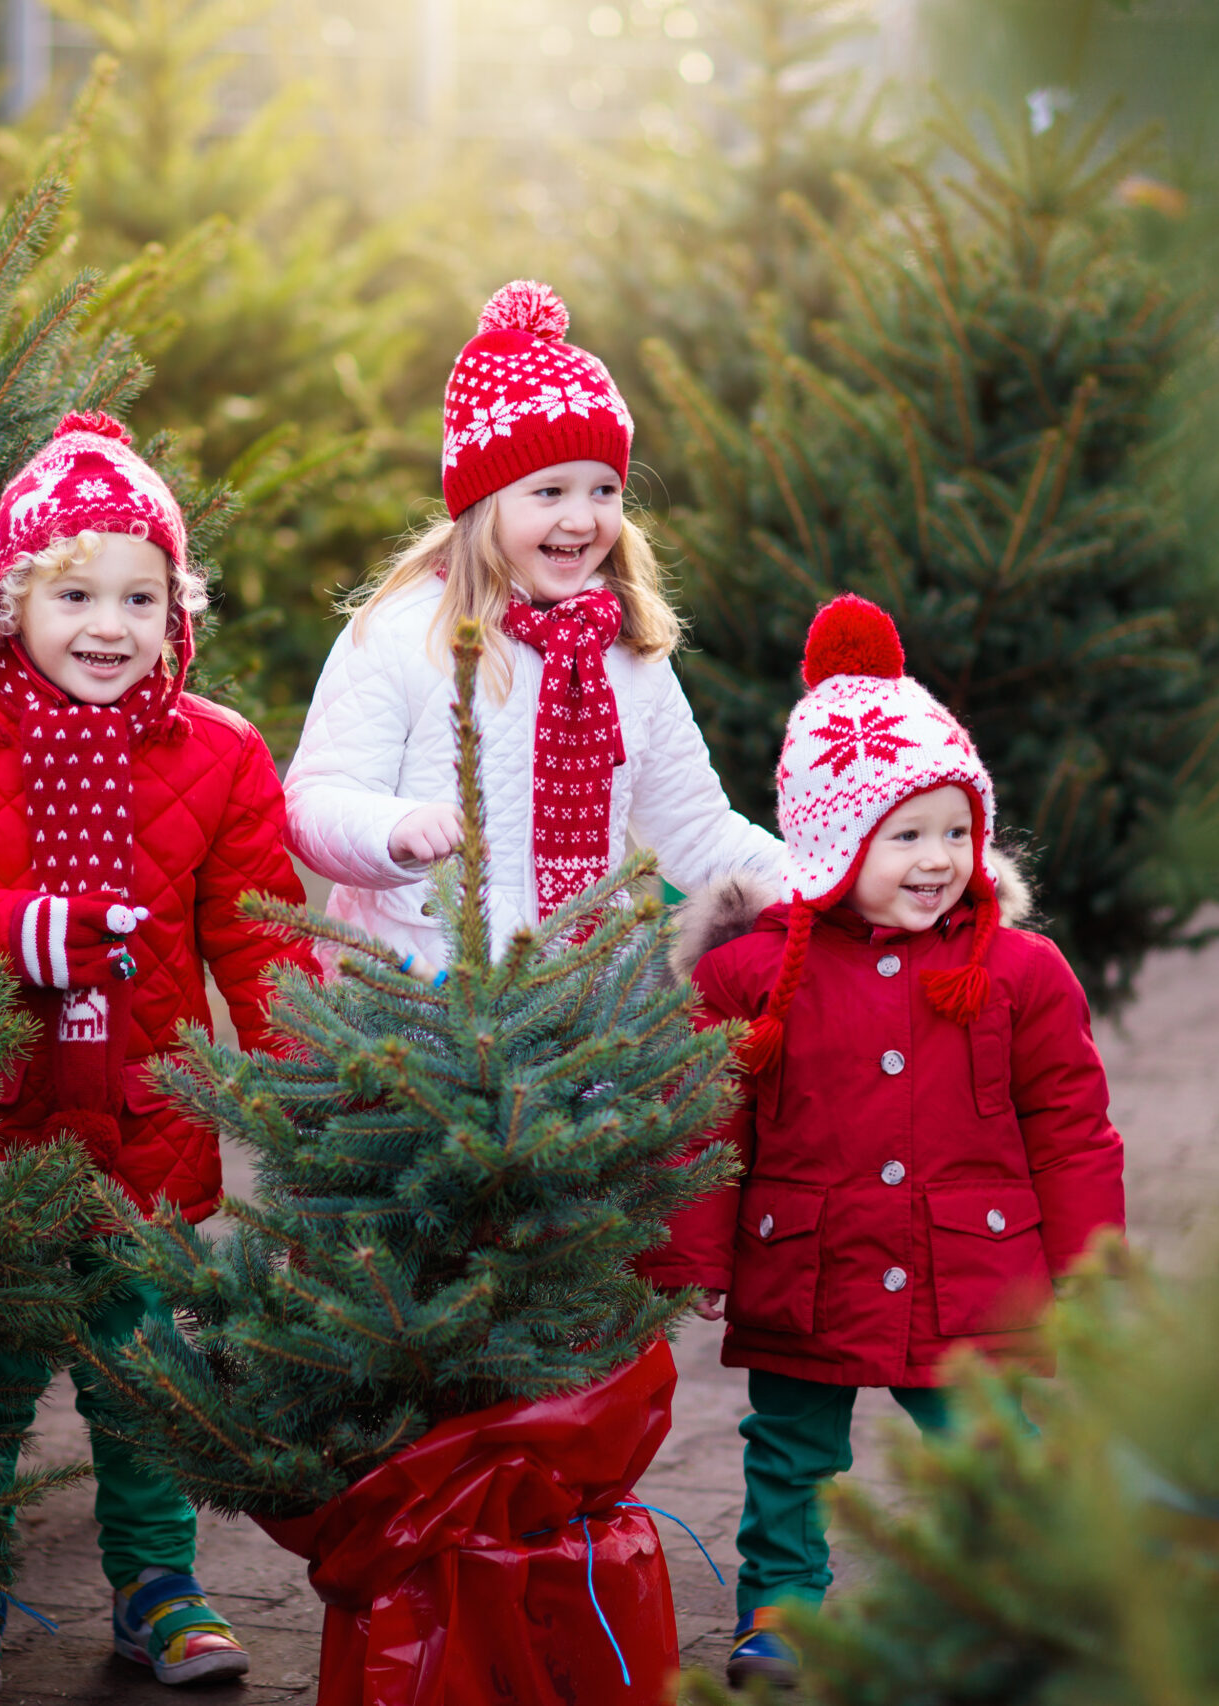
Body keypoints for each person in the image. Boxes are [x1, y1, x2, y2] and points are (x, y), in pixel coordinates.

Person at [0, 412, 311, 1697]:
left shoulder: (215, 752)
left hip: (147, 1131)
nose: (109, 623)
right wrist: (22, 932)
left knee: (144, 1376)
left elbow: (258, 934)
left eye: (140, 595)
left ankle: (158, 1585)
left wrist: (300, 1077)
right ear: (10, 604)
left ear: (177, 609)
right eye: (76, 592)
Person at [648, 593, 1127, 1687]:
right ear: (826, 844)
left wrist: (1087, 1256)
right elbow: (702, 1125)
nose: (935, 858)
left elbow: (1071, 1126)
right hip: (807, 1255)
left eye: (956, 830)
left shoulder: (1018, 973)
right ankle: (780, 1605)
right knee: (791, 1450)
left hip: (973, 1262)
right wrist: (695, 1255)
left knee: (992, 1437)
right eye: (902, 834)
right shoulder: (750, 977)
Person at [284, 279, 779, 967]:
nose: (582, 518)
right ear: (484, 501)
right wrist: (391, 830)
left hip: (584, 1010)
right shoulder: (402, 633)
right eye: (549, 492)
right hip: (423, 1008)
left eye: (603, 490)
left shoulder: (625, 651)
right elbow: (315, 802)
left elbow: (695, 830)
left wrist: (823, 887)